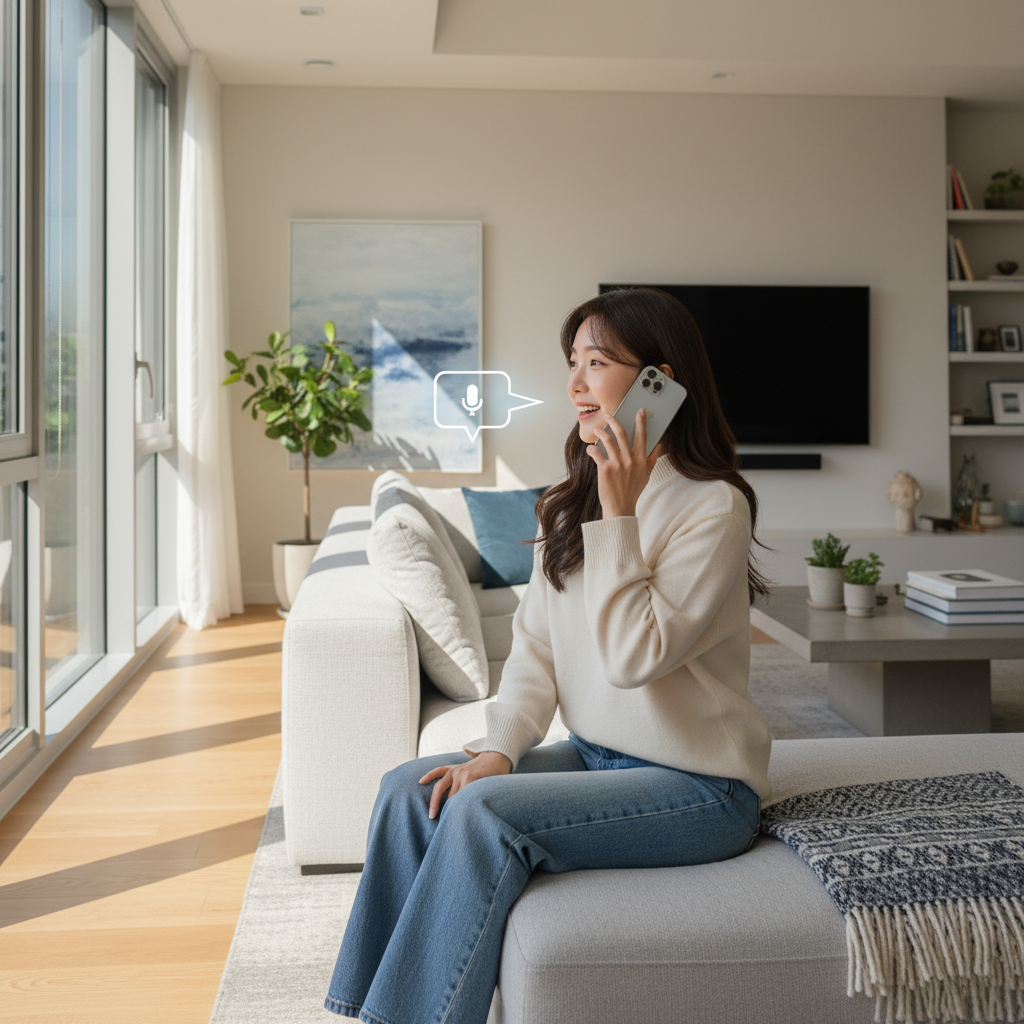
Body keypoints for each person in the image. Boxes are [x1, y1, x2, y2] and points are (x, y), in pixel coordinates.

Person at [324, 287, 773, 1024]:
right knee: (413, 789)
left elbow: (635, 659)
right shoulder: (571, 501)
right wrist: (499, 749)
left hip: (702, 787)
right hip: (600, 756)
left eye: (596, 362)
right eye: (572, 362)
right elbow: (535, 647)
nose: (574, 383)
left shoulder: (712, 507)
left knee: (481, 816)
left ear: (659, 383)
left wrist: (622, 513)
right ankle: (363, 1014)